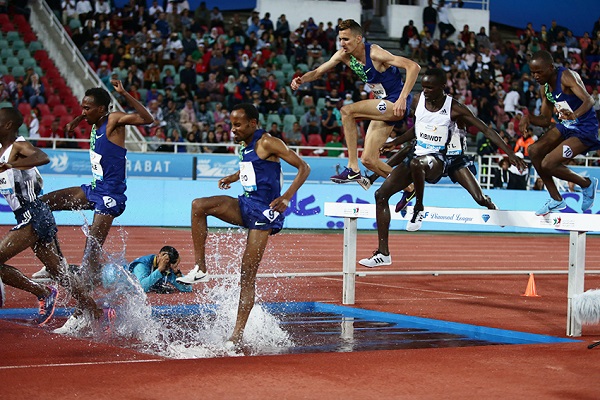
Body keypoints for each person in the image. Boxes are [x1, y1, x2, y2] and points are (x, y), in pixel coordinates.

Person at [358, 68, 525, 267]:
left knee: (479, 198)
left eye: (430, 87)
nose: (426, 91)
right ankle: (383, 253)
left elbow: (487, 130)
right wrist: (395, 142)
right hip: (422, 156)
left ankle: (427, 207)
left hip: (449, 159)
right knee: (381, 194)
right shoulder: (419, 100)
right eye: (424, 87)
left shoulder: (455, 108)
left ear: (442, 88)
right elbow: (418, 129)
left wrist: (510, 153)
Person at [177, 103, 310, 349]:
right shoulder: (244, 145)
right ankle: (200, 267)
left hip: (266, 212)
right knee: (198, 206)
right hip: (246, 204)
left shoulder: (268, 142)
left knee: (246, 274)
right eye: (231, 124)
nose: (232, 129)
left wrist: (288, 197)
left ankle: (236, 335)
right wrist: (233, 177)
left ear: (253, 123)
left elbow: (304, 167)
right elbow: (252, 168)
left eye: (237, 125)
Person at [34, 80, 154, 332]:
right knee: (41, 206)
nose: (83, 111)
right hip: (94, 189)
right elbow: (88, 113)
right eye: (82, 107)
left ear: (102, 109)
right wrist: (78, 119)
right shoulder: (95, 120)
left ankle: (82, 314)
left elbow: (147, 119)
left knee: (90, 257)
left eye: (88, 108)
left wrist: (124, 94)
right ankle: (55, 262)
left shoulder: (113, 121)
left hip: (110, 195)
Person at [291, 19, 420, 184]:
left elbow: (413, 67)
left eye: (346, 39)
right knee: (369, 160)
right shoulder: (343, 55)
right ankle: (409, 187)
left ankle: (352, 168)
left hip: (396, 102)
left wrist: (402, 98)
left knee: (347, 111)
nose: (342, 43)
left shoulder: (375, 53)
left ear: (358, 39)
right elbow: (317, 72)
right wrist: (301, 80)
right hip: (382, 103)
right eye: (340, 39)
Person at [0, 107, 96, 325]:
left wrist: (10, 165)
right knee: (60, 272)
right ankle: (97, 312)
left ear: (7, 126)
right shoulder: (2, 149)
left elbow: (42, 157)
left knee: (58, 272)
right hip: (31, 216)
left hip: (33, 215)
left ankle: (43, 292)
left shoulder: (18, 146)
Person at [518, 50, 600, 216]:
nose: (535, 76)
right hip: (567, 126)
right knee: (534, 151)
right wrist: (529, 118)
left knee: (548, 164)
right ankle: (556, 199)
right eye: (533, 72)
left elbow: (589, 100)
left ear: (550, 68)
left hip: (584, 128)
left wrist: (575, 115)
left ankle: (586, 183)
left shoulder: (566, 76)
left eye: (539, 72)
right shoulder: (545, 88)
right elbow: (545, 120)